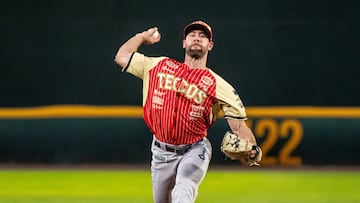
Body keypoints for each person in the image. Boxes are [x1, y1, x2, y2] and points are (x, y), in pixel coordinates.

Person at [114, 20, 260, 203]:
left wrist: (252, 150)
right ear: (184, 43)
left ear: (210, 45)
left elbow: (240, 128)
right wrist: (142, 37)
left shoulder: (218, 85)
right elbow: (122, 56)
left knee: (183, 189)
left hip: (194, 150)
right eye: (192, 35)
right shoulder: (157, 66)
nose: (197, 38)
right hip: (160, 153)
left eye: (202, 36)